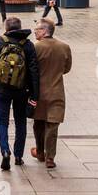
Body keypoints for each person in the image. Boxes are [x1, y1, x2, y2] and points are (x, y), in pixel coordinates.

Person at [0, 16, 40, 171]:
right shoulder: (28, 45)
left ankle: (4, 150)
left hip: (2, 89)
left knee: (2, 121)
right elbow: (34, 71)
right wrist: (34, 94)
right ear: (20, 26)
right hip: (22, 90)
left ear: (6, 27)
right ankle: (18, 156)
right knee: (20, 122)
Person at [30, 19, 72, 168]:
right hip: (56, 92)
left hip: (39, 92)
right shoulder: (64, 47)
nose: (34, 31)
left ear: (44, 31)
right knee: (52, 125)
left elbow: (31, 70)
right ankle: (50, 158)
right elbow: (66, 69)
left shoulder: (36, 47)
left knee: (38, 123)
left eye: (37, 29)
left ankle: (40, 151)